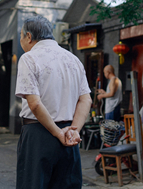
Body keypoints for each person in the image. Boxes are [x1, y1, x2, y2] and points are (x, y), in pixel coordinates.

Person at [15, 16, 92, 189]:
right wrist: (74, 131)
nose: (21, 40)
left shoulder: (29, 58)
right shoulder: (73, 59)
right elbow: (85, 99)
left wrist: (58, 133)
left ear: (28, 36)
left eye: (21, 36)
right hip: (70, 136)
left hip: (38, 135)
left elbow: (34, 104)